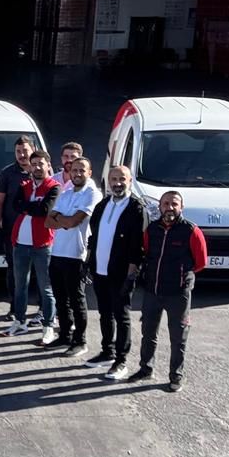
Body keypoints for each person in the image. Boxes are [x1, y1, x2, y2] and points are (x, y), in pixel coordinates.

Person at [134, 189, 207, 393]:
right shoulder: (152, 229)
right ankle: (145, 369)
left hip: (178, 293)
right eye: (166, 203)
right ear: (159, 206)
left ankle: (176, 376)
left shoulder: (191, 230)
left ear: (181, 207)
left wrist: (182, 276)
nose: (170, 208)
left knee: (178, 337)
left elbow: (201, 262)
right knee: (148, 332)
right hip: (153, 290)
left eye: (174, 204)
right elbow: (146, 252)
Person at [87, 163, 146, 381]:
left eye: (122, 179)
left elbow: (138, 246)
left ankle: (121, 360)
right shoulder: (103, 205)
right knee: (105, 313)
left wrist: (131, 274)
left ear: (130, 181)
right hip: (100, 270)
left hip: (121, 273)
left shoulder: (136, 209)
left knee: (121, 316)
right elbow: (94, 235)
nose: (118, 183)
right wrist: (89, 262)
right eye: (114, 179)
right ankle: (107, 352)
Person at [3, 150, 60, 345]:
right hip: (20, 243)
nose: (36, 167)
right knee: (20, 286)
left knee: (46, 287)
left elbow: (44, 210)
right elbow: (15, 205)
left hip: (42, 244)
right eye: (33, 164)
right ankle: (20, 321)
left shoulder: (54, 187)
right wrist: (31, 206)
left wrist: (28, 206)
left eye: (40, 164)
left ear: (48, 165)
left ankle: (48, 326)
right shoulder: (24, 185)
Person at [46, 155, 100, 357]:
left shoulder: (92, 194)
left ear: (89, 173)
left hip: (77, 254)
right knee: (61, 299)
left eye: (81, 170)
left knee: (77, 300)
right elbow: (48, 222)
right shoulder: (67, 192)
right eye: (74, 170)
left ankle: (80, 341)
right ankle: (65, 335)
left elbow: (73, 222)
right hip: (57, 252)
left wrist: (60, 218)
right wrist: (64, 219)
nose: (77, 173)